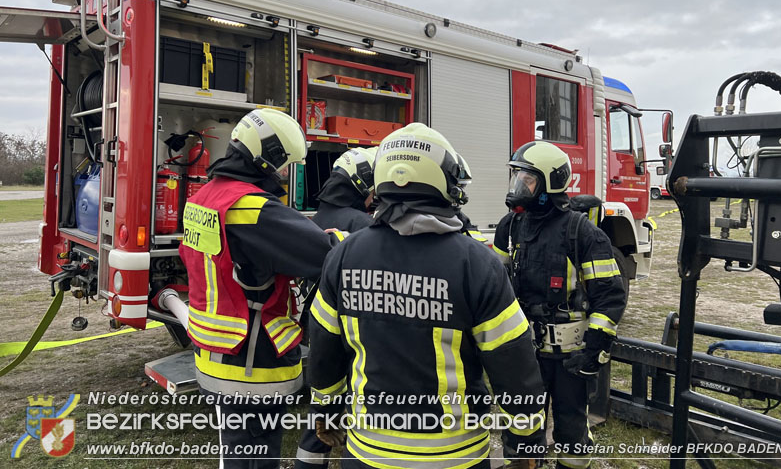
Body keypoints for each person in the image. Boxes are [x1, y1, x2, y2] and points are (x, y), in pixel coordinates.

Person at [308, 122, 547, 469]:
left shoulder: (344, 255)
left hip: (368, 451)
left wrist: (326, 412)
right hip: (454, 455)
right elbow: (513, 365)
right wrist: (525, 444)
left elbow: (324, 350)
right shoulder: (477, 263)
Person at [178, 108, 344, 469]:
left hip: (214, 350)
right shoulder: (254, 210)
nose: (285, 172)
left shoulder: (205, 197)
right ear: (267, 158)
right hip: (252, 362)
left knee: (234, 448)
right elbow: (327, 255)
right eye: (284, 163)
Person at [493, 141, 626, 469]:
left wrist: (594, 351)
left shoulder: (582, 233)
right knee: (521, 429)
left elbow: (608, 296)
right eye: (518, 177)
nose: (519, 185)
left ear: (549, 183)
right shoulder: (510, 227)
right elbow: (496, 286)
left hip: (570, 358)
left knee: (571, 430)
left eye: (527, 179)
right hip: (525, 354)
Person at [296, 146, 377, 469]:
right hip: (353, 324)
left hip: (318, 321)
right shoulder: (361, 221)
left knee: (324, 407)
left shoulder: (319, 217)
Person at [311, 147, 378, 232]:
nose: (372, 201)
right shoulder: (363, 224)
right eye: (372, 193)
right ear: (362, 184)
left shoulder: (316, 219)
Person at [452, 153, 490, 246]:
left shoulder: (461, 219)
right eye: (457, 188)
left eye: (462, 187)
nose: (461, 194)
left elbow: (478, 250)